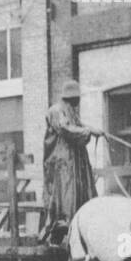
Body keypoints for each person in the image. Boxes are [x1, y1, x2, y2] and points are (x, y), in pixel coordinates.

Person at [39, 79, 102, 245]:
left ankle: (81, 225)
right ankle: (60, 229)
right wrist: (87, 131)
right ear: (71, 98)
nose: (78, 102)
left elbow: (78, 124)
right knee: (66, 196)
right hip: (62, 165)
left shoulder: (71, 112)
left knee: (81, 191)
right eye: (76, 98)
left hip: (75, 163)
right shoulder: (56, 111)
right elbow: (65, 128)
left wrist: (95, 130)